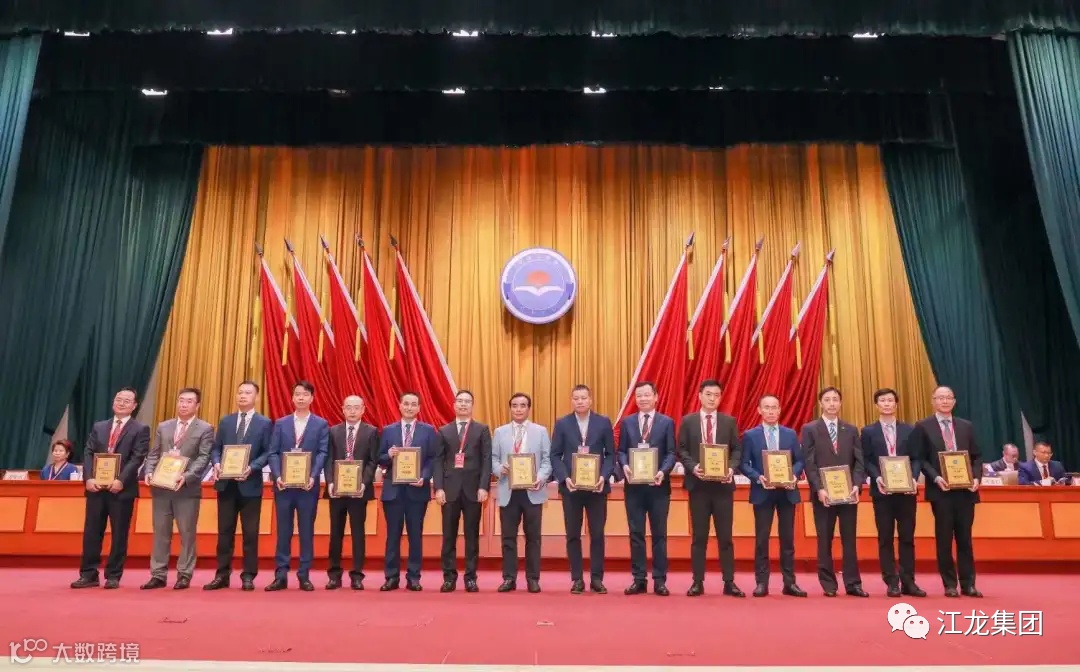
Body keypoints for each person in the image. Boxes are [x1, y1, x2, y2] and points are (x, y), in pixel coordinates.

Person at [71, 387, 151, 589]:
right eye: (118, 399)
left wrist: (121, 480)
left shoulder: (140, 429)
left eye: (127, 400)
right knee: (92, 532)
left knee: (119, 534)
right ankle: (88, 573)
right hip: (96, 488)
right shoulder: (99, 426)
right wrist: (88, 478)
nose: (121, 403)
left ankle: (113, 575)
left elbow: (137, 457)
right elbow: (88, 452)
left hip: (121, 490)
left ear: (134, 406)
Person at [909, 385, 983, 597]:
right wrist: (935, 477)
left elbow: (977, 456)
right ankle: (949, 584)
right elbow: (920, 458)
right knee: (944, 539)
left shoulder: (966, 426)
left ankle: (968, 584)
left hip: (966, 491)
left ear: (954, 401)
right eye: (940, 398)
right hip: (941, 491)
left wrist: (976, 477)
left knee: (965, 539)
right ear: (933, 401)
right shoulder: (923, 426)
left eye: (948, 397)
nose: (945, 401)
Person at [142, 388, 214, 590]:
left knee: (187, 533)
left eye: (189, 401)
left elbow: (204, 457)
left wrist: (187, 476)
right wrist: (149, 471)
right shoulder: (164, 426)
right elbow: (154, 453)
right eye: (181, 400)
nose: (183, 404)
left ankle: (184, 574)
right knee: (160, 533)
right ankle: (158, 574)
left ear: (197, 406)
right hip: (161, 488)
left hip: (186, 490)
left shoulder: (205, 428)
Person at [204, 380, 273, 591]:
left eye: (248, 393)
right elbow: (216, 448)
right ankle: (222, 575)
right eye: (240, 392)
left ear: (256, 397)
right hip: (226, 485)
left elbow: (268, 452)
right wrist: (216, 463)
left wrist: (252, 468)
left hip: (250, 485)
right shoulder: (226, 421)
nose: (243, 396)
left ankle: (248, 575)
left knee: (250, 533)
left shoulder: (265, 423)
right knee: (224, 532)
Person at [677, 379, 743, 598]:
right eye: (708, 394)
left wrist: (730, 469)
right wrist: (693, 467)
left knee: (726, 537)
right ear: (699, 396)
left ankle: (729, 582)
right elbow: (682, 450)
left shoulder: (729, 422)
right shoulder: (688, 421)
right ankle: (697, 582)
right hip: (698, 487)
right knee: (699, 537)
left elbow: (736, 450)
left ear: (720, 398)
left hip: (722, 488)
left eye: (716, 395)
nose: (712, 398)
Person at [802, 386, 867, 597]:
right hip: (823, 496)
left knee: (849, 540)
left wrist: (856, 485)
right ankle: (828, 584)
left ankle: (853, 583)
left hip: (848, 495)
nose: (832, 403)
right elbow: (809, 463)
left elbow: (859, 461)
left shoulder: (851, 429)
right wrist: (819, 488)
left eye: (835, 399)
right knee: (824, 539)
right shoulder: (810, 429)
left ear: (840, 403)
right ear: (821, 403)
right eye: (827, 400)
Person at [740, 395, 806, 598]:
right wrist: (758, 477)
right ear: (759, 410)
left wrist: (793, 475)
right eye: (766, 407)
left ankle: (790, 583)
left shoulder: (790, 434)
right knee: (762, 539)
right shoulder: (750, 435)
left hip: (787, 492)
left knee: (787, 540)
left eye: (774, 407)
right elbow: (743, 464)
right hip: (763, 492)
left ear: (779, 410)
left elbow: (799, 460)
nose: (770, 411)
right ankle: (762, 583)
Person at [551, 384, 615, 594]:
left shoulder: (603, 422)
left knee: (597, 534)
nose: (580, 401)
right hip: (571, 488)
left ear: (590, 400)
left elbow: (610, 454)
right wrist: (564, 477)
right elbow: (555, 455)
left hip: (597, 489)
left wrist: (603, 476)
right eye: (576, 398)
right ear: (572, 401)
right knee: (572, 534)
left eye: (583, 398)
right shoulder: (562, 423)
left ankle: (596, 578)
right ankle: (577, 578)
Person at [266, 380, 329, 591]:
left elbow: (323, 452)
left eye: (305, 394)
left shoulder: (321, 424)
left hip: (307, 488)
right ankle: (280, 575)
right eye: (297, 394)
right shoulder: (281, 423)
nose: (301, 397)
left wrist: (313, 476)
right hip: (283, 487)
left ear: (312, 398)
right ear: (292, 398)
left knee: (306, 531)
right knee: (283, 531)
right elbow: (273, 452)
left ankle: (304, 575)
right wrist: (277, 475)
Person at [861, 388, 924, 598]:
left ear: (896, 404)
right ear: (876, 405)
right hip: (882, 492)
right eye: (882, 401)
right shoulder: (868, 432)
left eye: (890, 400)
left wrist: (913, 478)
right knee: (885, 538)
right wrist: (877, 477)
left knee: (907, 537)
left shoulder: (910, 430)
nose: (887, 404)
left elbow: (916, 458)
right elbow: (866, 459)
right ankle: (891, 582)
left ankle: (909, 581)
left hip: (906, 492)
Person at [617, 381, 675, 596]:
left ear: (656, 397)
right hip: (634, 488)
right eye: (639, 395)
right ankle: (639, 579)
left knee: (659, 534)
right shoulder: (628, 422)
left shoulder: (666, 422)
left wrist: (663, 471)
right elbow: (621, 451)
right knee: (636, 534)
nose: (642, 399)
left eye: (646, 395)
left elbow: (671, 453)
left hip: (658, 487)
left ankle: (659, 580)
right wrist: (624, 465)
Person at [491, 393, 551, 593]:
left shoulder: (541, 431)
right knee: (508, 538)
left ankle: (533, 578)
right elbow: (493, 459)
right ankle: (509, 578)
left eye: (523, 405)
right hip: (508, 491)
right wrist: (500, 469)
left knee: (533, 538)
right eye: (515, 405)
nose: (518, 409)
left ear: (529, 408)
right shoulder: (499, 432)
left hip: (532, 491)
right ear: (510, 408)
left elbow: (547, 460)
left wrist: (540, 478)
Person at [433, 389, 492, 593]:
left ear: (472, 405)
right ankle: (449, 578)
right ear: (454, 405)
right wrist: (438, 488)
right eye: (460, 401)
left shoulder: (482, 429)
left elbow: (486, 460)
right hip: (449, 491)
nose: (463, 404)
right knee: (448, 536)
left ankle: (470, 578)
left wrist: (483, 486)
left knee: (471, 536)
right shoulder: (444, 430)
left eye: (467, 401)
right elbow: (438, 461)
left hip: (473, 491)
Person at [378, 391, 437, 591]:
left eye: (413, 404)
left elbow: (433, 458)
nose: (409, 407)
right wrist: (388, 454)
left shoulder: (428, 431)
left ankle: (414, 577)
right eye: (406, 404)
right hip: (393, 491)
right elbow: (379, 458)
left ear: (419, 408)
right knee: (392, 536)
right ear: (400, 406)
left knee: (415, 535)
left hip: (417, 491)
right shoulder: (388, 430)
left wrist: (425, 477)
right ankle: (391, 577)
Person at [324, 395, 379, 590]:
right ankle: (334, 574)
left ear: (363, 409)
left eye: (356, 407)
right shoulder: (333, 431)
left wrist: (364, 483)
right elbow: (328, 459)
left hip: (359, 492)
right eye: (349, 407)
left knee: (358, 532)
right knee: (335, 533)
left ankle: (357, 575)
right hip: (337, 491)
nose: (353, 411)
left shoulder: (371, 431)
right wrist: (330, 482)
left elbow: (372, 461)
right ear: (343, 409)